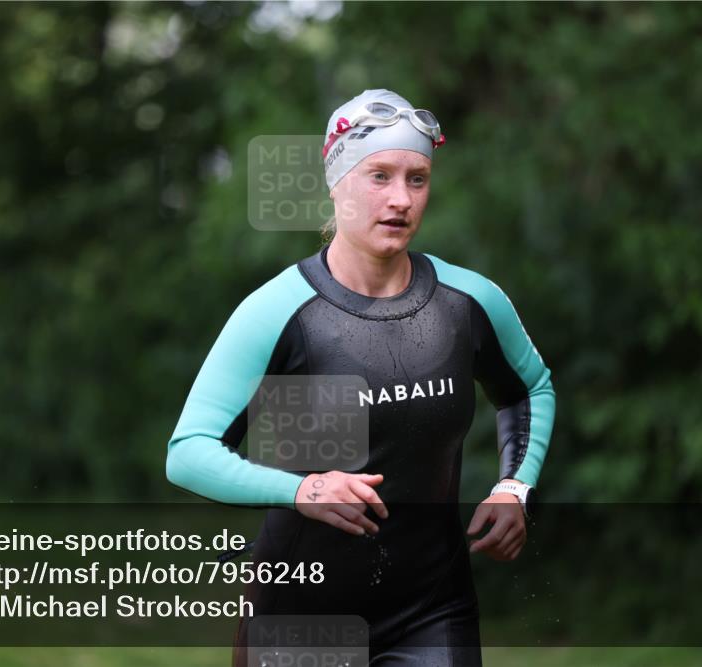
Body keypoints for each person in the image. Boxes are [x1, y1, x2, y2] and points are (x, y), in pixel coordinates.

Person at [166, 89, 555, 666]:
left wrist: (513, 488)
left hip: (433, 610)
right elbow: (188, 452)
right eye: (379, 176)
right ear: (337, 180)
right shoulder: (279, 311)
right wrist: (301, 490)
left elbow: (529, 388)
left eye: (417, 179)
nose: (400, 199)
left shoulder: (467, 301)